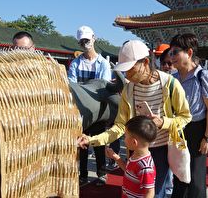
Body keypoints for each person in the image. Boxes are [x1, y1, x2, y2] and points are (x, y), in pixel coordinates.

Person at [77, 40, 192, 197]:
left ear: (145, 62)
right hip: (135, 150)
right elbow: (119, 126)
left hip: (161, 150)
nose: (127, 74)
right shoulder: (129, 89)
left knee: (156, 193)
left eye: (130, 69)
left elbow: (185, 117)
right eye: (125, 71)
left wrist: (164, 122)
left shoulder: (170, 84)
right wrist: (91, 140)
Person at [169, 33, 208, 198]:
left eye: (175, 52)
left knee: (196, 178)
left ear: (189, 53)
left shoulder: (203, 76)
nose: (171, 56)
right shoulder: (173, 78)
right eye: (170, 53)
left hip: (197, 131)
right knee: (179, 173)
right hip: (178, 130)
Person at [69, 26, 112, 186]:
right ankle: (83, 174)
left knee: (99, 142)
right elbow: (71, 85)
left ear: (94, 38)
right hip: (81, 109)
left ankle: (101, 173)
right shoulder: (75, 63)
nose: (85, 43)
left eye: (87, 40)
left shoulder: (103, 64)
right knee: (82, 143)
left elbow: (104, 86)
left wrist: (84, 89)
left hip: (99, 109)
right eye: (82, 41)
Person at [105, 116, 157, 198]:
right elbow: (128, 170)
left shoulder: (145, 167)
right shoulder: (136, 154)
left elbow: (149, 192)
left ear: (134, 142)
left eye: (125, 136)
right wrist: (116, 157)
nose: (124, 139)